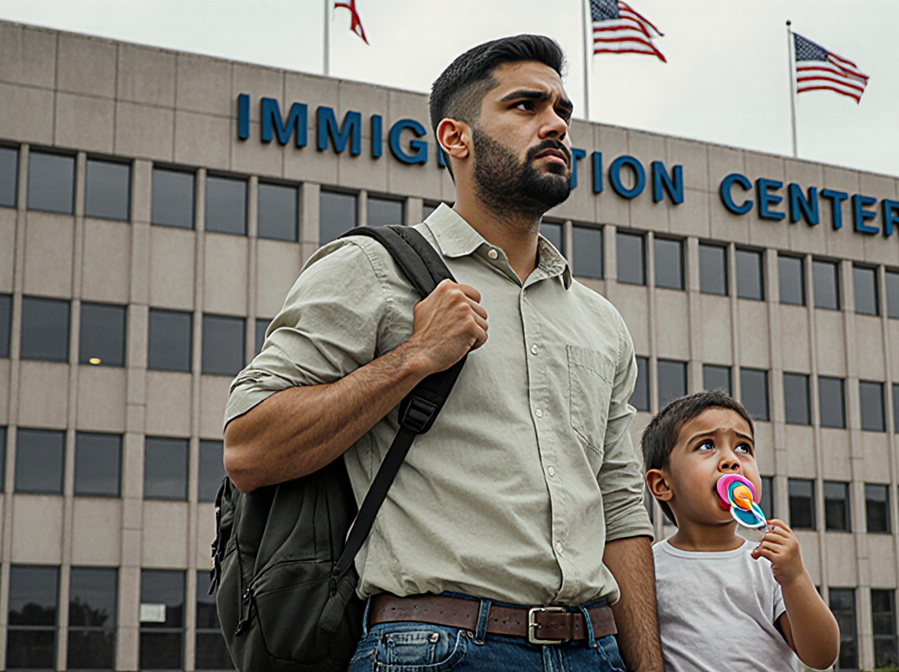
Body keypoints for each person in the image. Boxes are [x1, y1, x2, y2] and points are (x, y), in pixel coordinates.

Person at [223, 34, 662, 671]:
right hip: (437, 647)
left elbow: (621, 509)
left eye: (563, 111)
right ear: (455, 138)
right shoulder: (372, 270)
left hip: (596, 650)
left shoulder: (599, 320)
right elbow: (249, 449)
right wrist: (415, 356)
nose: (556, 125)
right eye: (525, 106)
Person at [642, 390, 840, 671]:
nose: (732, 460)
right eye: (707, 445)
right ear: (662, 485)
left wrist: (795, 577)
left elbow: (822, 655)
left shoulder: (768, 564)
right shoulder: (648, 568)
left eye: (743, 448)